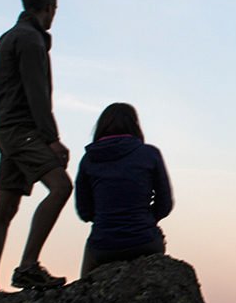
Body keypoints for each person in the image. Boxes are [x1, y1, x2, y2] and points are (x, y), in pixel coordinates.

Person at [0, 0, 72, 290]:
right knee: (60, 187)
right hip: (22, 132)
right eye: (54, 9)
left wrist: (0, 117)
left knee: (5, 206)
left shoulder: (6, 39)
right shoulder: (30, 40)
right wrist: (50, 138)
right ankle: (28, 265)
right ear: (49, 8)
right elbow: (37, 94)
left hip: (5, 132)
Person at [74, 102, 174, 277]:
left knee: (91, 250)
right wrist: (144, 219)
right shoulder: (149, 154)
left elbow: (84, 212)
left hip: (103, 246)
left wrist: (107, 218)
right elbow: (164, 204)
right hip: (145, 242)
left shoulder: (89, 159)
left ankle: (84, 292)